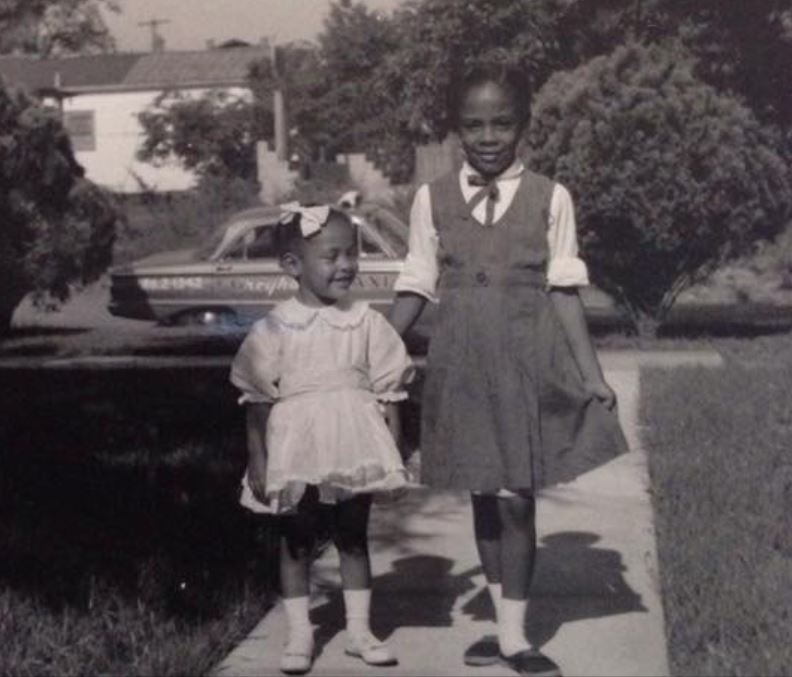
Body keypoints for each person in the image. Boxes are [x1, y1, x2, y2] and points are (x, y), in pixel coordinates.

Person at [388, 64, 629, 677]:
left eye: (501, 123)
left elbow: (565, 291)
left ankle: (517, 638)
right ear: (456, 130)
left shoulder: (552, 197)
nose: (488, 136)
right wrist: (378, 347)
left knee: (517, 500)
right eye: (474, 125)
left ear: (523, 124)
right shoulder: (430, 198)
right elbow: (417, 280)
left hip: (526, 362)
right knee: (483, 496)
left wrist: (592, 375)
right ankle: (500, 627)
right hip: (460, 365)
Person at [231, 203, 413, 675]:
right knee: (297, 539)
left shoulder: (367, 321)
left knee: (353, 537)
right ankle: (300, 633)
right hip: (298, 443)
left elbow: (390, 387)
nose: (346, 265)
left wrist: (393, 445)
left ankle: (358, 631)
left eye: (351, 254)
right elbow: (256, 398)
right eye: (331, 257)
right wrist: (259, 456)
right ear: (293, 266)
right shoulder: (273, 327)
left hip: (354, 437)